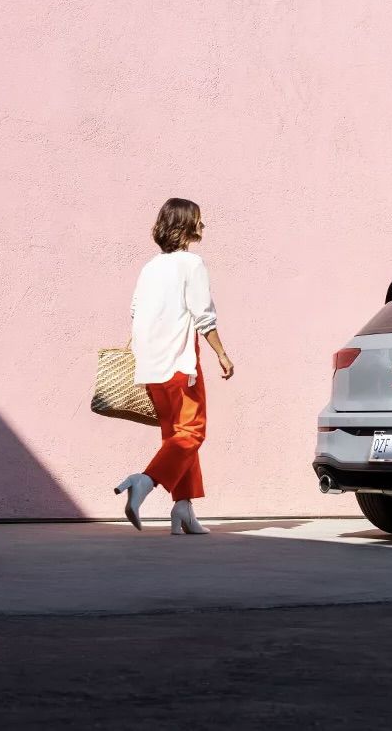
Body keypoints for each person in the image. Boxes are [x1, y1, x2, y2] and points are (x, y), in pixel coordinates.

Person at [113, 198, 234, 534]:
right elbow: (203, 315)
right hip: (180, 363)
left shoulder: (149, 267)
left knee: (175, 436)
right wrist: (222, 353)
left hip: (150, 365)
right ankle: (145, 482)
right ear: (184, 225)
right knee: (192, 432)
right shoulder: (192, 264)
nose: (203, 225)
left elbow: (135, 313)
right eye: (199, 219)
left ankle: (183, 509)